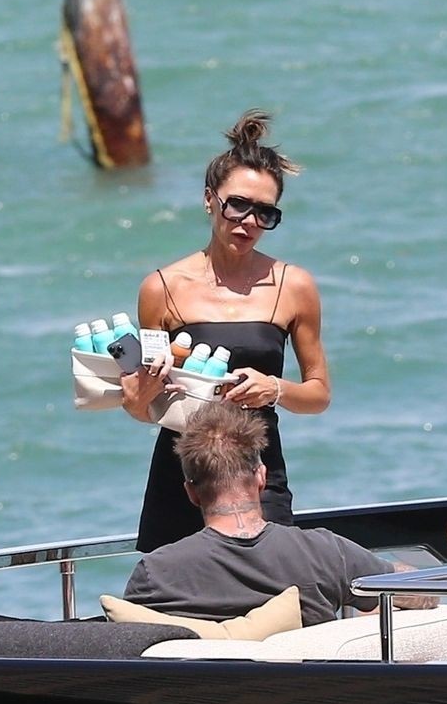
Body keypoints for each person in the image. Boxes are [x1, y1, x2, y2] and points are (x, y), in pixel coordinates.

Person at [119, 110, 332, 552]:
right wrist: (136, 399)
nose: (249, 221)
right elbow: (146, 408)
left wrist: (274, 388)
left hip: (259, 472)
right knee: (178, 591)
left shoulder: (294, 286)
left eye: (265, 213)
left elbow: (318, 395)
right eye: (238, 205)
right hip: (183, 475)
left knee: (271, 579)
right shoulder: (161, 288)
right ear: (209, 200)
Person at [123, 404, 435, 626]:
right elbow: (420, 593)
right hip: (306, 698)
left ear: (191, 492)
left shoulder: (156, 575)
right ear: (261, 477)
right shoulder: (324, 553)